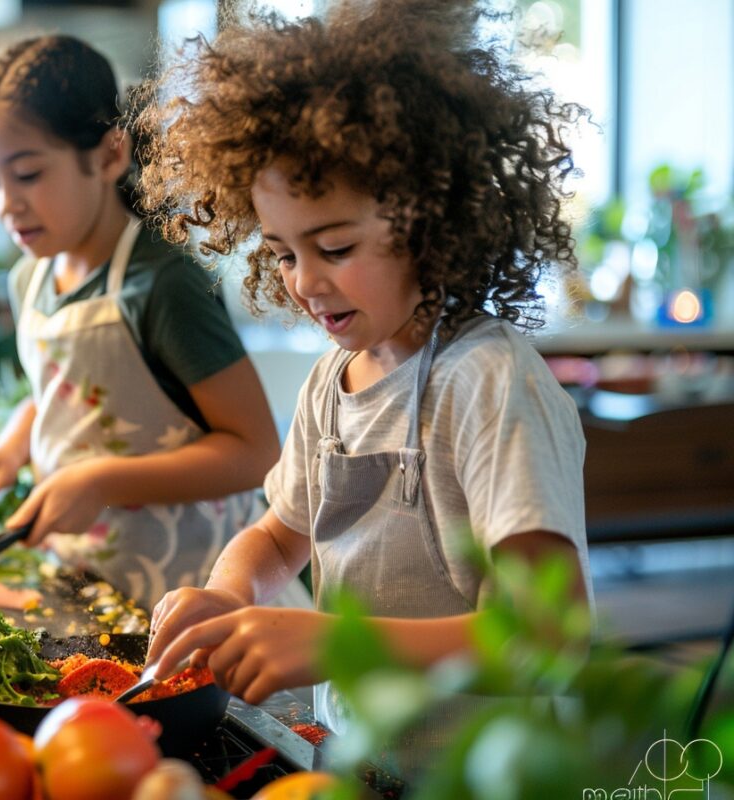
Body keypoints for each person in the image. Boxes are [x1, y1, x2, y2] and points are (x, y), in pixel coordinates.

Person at [137, 0, 593, 777]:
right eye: (281, 253)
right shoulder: (331, 382)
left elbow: (547, 636)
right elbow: (283, 534)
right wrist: (229, 590)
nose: (306, 283)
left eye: (336, 246)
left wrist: (339, 642)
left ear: (431, 217)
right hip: (359, 759)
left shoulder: (488, 383)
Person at [0, 35, 282, 607]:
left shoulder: (164, 284)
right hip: (88, 588)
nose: (5, 203)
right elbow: (68, 394)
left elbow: (255, 453)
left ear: (108, 155)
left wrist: (102, 482)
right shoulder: (31, 280)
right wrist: (9, 447)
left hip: (194, 593)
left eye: (26, 174)